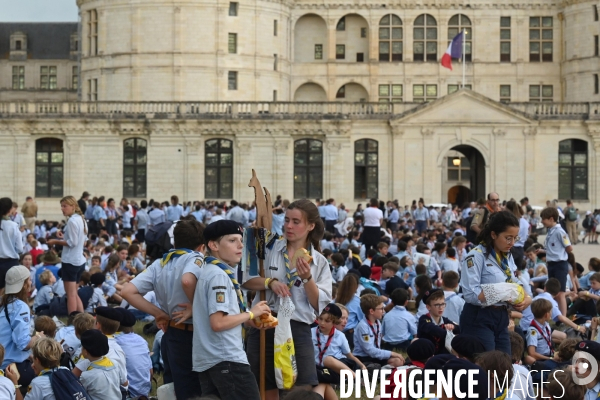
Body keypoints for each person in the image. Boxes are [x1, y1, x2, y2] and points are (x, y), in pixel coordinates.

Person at [242, 199, 333, 399]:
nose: (289, 226)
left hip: (297, 329)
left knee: (300, 390)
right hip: (266, 324)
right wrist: (269, 282)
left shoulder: (319, 262)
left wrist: (307, 278)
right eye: (286, 220)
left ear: (311, 226)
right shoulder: (268, 248)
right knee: (262, 387)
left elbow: (320, 306)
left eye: (296, 222)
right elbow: (246, 280)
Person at [121, 218, 205, 400]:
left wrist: (158, 313)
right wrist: (196, 303)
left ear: (175, 241)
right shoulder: (196, 257)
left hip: (172, 330)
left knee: (176, 387)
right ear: (202, 245)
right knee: (196, 390)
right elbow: (187, 280)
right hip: (193, 332)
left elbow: (128, 291)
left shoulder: (160, 263)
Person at [192, 220, 269, 400]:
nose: (240, 245)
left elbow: (226, 315)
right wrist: (251, 313)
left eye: (240, 240)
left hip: (212, 360)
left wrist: (251, 321)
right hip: (226, 359)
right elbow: (218, 323)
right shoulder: (219, 275)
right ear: (213, 245)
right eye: (232, 240)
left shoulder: (214, 271)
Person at [460, 210, 532, 354]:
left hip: (501, 316)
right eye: (508, 238)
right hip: (479, 317)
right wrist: (504, 291)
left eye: (515, 238)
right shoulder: (476, 256)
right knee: (488, 365)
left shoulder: (506, 255)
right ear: (493, 235)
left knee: (504, 364)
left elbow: (515, 280)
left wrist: (527, 298)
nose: (512, 243)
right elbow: (470, 293)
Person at [0, 265, 42, 395]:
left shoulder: (3, 302)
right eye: (29, 280)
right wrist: (38, 337)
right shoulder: (20, 307)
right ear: (24, 285)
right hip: (12, 368)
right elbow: (23, 343)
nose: (30, 282)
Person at [47, 196, 87, 314]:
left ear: (73, 206)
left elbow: (73, 243)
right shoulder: (82, 219)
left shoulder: (72, 221)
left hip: (71, 261)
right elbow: (82, 241)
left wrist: (55, 241)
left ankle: (72, 320)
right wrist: (64, 237)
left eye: (65, 206)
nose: (62, 209)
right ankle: (83, 317)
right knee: (74, 293)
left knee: (70, 295)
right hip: (80, 260)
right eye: (62, 206)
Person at [353, 293, 405, 368]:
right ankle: (377, 370)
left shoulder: (377, 323)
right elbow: (370, 351)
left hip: (375, 356)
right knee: (373, 366)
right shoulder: (362, 326)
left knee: (398, 361)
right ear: (371, 311)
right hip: (363, 358)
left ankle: (380, 369)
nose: (383, 311)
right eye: (381, 309)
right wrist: (392, 353)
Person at [114, 308, 152, 399]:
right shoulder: (141, 340)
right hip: (144, 391)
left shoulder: (114, 341)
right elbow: (150, 371)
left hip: (127, 393)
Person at [541, 206, 572, 315]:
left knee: (560, 293)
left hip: (559, 264)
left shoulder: (560, 232)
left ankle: (563, 317)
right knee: (552, 291)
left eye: (543, 219)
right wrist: (543, 250)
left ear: (551, 219)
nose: (542, 221)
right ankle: (555, 315)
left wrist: (560, 255)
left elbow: (569, 248)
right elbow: (553, 248)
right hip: (552, 264)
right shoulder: (550, 231)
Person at [79, 329, 123, 400]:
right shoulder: (115, 364)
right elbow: (123, 382)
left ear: (86, 352)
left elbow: (77, 391)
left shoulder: (86, 376)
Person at [417, 289, 461, 355]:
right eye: (437, 305)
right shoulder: (424, 319)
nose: (441, 308)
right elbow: (432, 329)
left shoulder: (444, 320)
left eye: (443, 304)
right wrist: (448, 334)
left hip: (442, 355)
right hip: (426, 355)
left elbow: (459, 329)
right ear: (428, 307)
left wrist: (453, 327)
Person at [0, 198, 24, 290]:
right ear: (10, 209)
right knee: (11, 292)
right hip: (10, 263)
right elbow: (20, 249)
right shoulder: (13, 225)